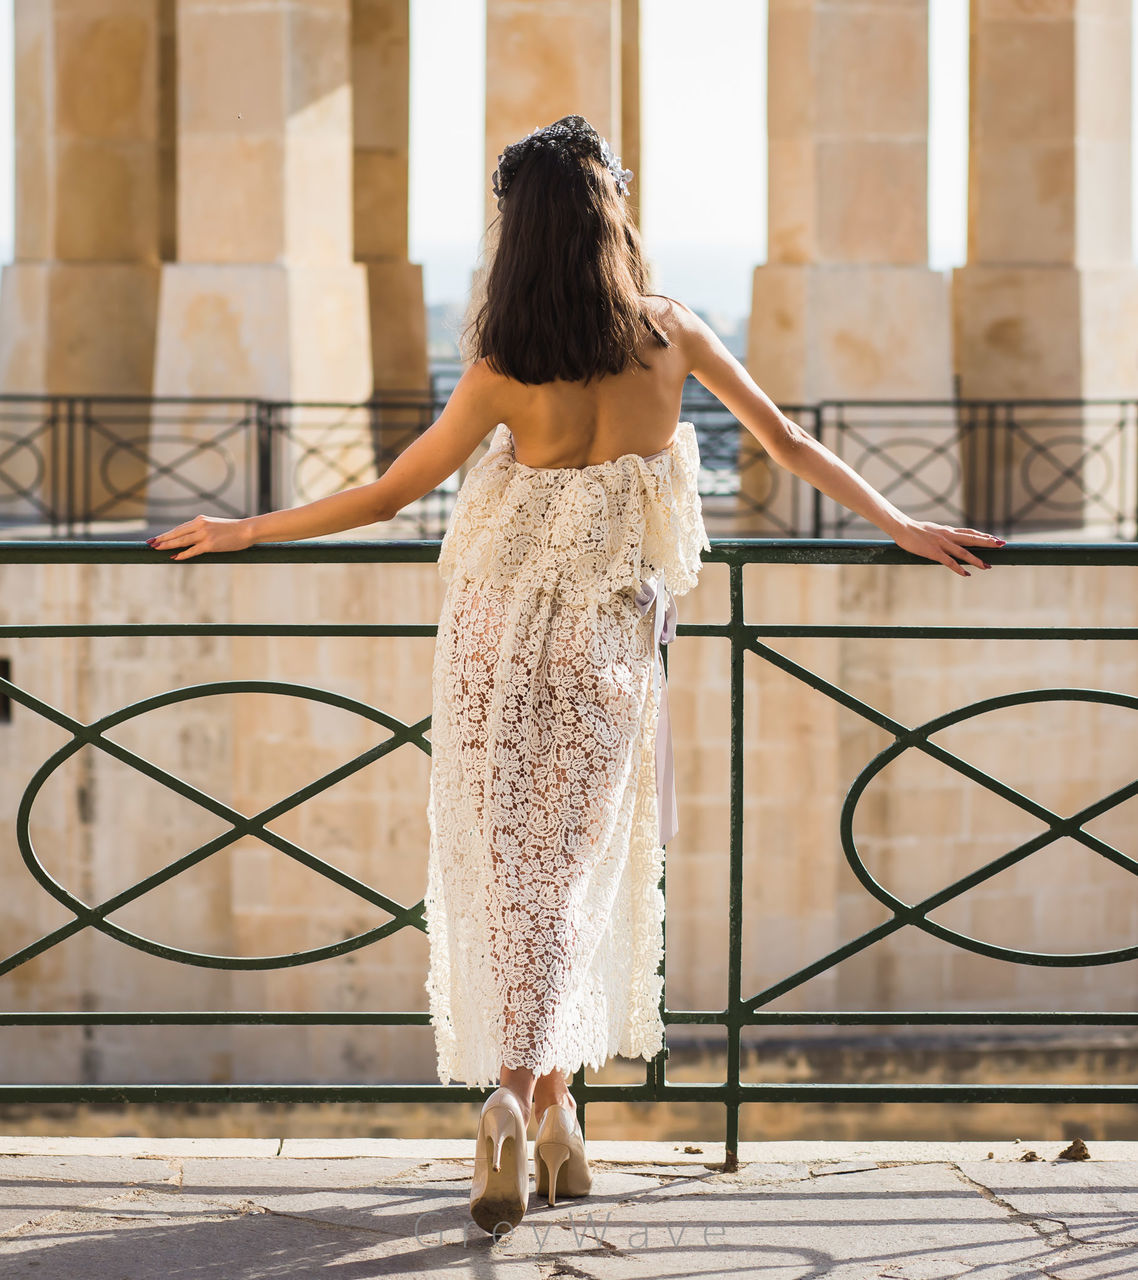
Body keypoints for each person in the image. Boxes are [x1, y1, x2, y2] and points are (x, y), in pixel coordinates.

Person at [146, 114, 1006, 1236]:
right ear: (611, 217)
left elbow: (393, 493)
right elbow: (787, 441)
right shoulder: (671, 335)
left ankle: (513, 1096)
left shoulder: (506, 362)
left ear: (522, 235)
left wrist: (249, 529)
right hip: (605, 649)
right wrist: (898, 523)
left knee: (510, 876)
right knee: (572, 875)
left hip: (494, 643)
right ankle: (549, 1114)